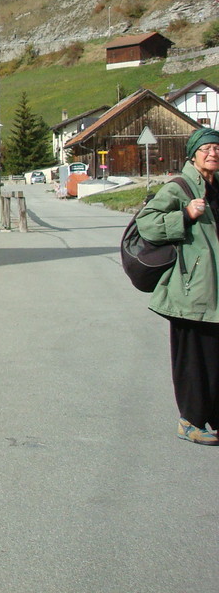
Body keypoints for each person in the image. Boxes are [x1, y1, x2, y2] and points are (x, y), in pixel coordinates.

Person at [135, 126, 219, 445]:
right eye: (206, 148)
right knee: (194, 360)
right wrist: (184, 214)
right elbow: (147, 225)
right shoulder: (180, 187)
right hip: (191, 289)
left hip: (216, 290)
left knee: (215, 358)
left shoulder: (217, 185)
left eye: (217, 148)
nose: (213, 153)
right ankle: (190, 421)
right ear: (193, 154)